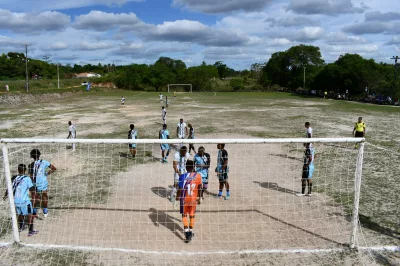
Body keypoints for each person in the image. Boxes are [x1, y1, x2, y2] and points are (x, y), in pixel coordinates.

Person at [6, 164, 38, 236]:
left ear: (18, 169)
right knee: (30, 215)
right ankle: (31, 231)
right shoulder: (27, 178)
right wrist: (35, 194)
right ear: (25, 170)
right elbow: (32, 189)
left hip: (16, 201)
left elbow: (9, 188)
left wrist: (5, 195)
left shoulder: (14, 178)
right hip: (25, 201)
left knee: (20, 214)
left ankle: (21, 227)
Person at [175, 160, 202, 242]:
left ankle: (187, 233)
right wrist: (200, 197)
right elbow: (200, 187)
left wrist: (177, 197)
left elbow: (180, 189)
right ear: (194, 167)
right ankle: (190, 231)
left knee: (184, 215)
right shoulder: (198, 176)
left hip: (184, 199)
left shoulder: (182, 176)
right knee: (192, 215)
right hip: (193, 199)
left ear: (186, 167)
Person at [28, 149, 57, 218]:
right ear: (39, 155)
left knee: (34, 198)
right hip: (43, 183)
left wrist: (31, 185)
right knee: (44, 196)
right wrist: (46, 174)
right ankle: (45, 212)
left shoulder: (30, 165)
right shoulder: (44, 162)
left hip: (35, 184)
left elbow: (31, 176)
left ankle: (34, 212)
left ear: (32, 156)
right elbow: (54, 168)